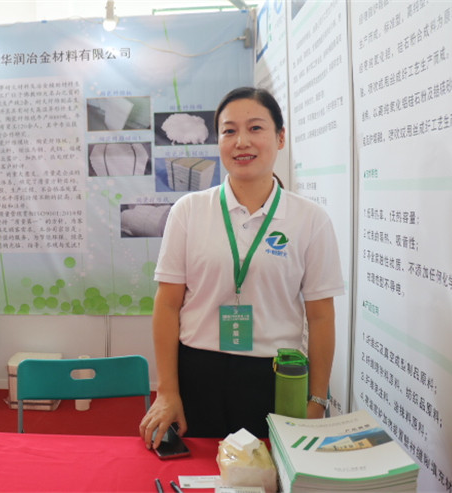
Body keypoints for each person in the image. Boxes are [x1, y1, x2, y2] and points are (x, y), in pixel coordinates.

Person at [139, 87, 345, 448]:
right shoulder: (188, 211)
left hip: (277, 376)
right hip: (197, 371)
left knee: (271, 471)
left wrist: (317, 400)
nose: (241, 142)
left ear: (280, 138)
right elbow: (167, 304)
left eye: (255, 128)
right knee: (198, 470)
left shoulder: (310, 220)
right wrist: (167, 391)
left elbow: (321, 316)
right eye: (229, 131)